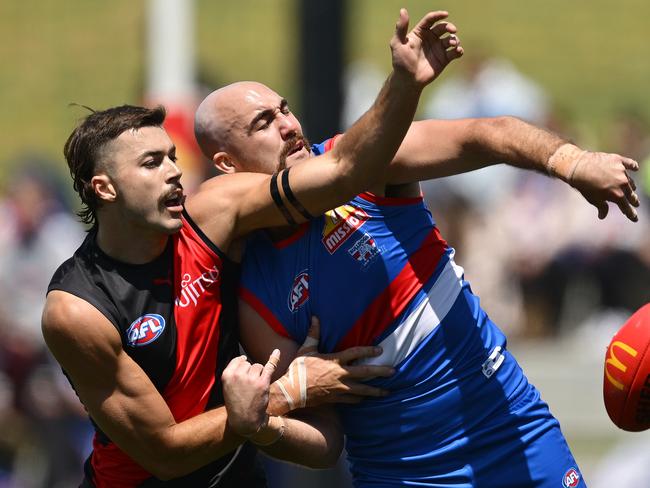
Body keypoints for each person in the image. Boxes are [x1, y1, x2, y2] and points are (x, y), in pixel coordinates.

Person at [40, 9, 464, 487]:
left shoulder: (212, 216)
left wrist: (405, 86)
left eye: (174, 158)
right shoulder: (77, 310)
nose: (175, 172)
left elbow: (343, 172)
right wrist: (286, 392)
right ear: (105, 189)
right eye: (152, 163)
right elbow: (164, 453)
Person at [195, 53, 641, 488]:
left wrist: (572, 161)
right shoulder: (256, 290)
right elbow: (325, 441)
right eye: (263, 123)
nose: (289, 125)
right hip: (400, 474)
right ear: (227, 166)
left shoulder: (361, 166)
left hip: (511, 434)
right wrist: (267, 422)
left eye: (285, 110)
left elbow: (485, 134)